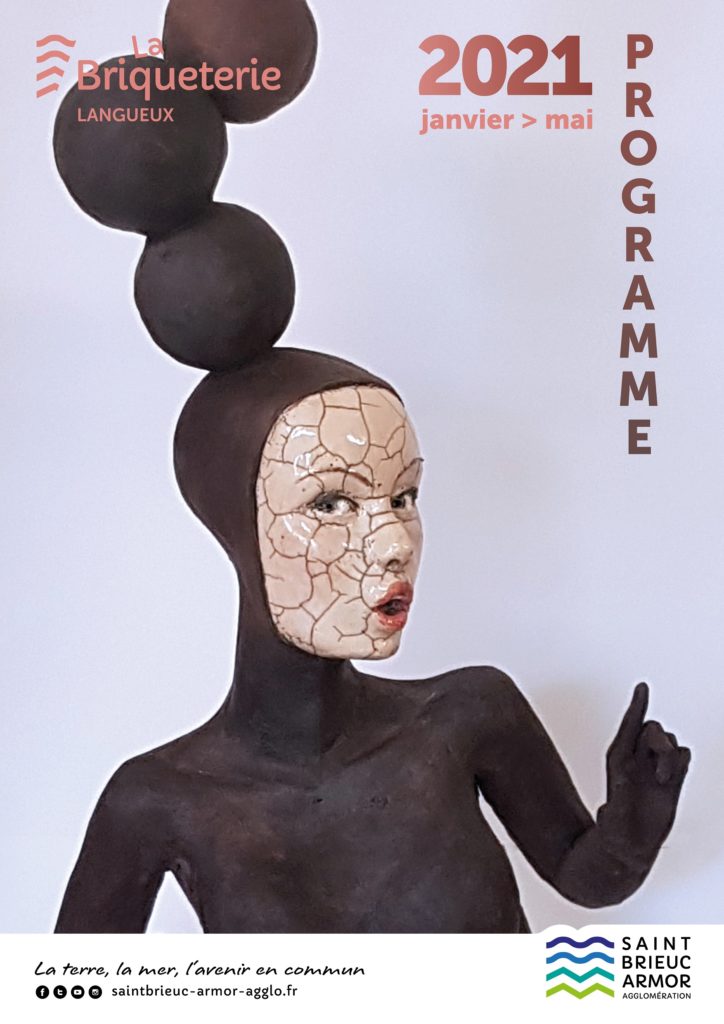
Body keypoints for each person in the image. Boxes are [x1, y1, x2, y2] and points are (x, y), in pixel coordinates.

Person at [55, 348, 690, 933]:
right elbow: (69, 994)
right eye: (331, 504)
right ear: (239, 529)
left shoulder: (468, 715)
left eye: (405, 496)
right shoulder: (159, 800)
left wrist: (631, 830)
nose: (395, 543)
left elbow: (583, 874)